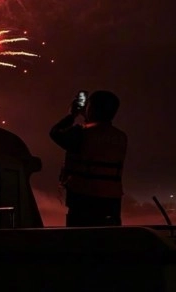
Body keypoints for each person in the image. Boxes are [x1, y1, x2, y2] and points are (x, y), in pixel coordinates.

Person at [50, 90, 128, 226]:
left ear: (91, 108)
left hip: (83, 200)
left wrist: (72, 115)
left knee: (81, 241)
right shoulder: (121, 137)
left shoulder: (82, 133)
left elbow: (55, 133)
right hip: (112, 202)